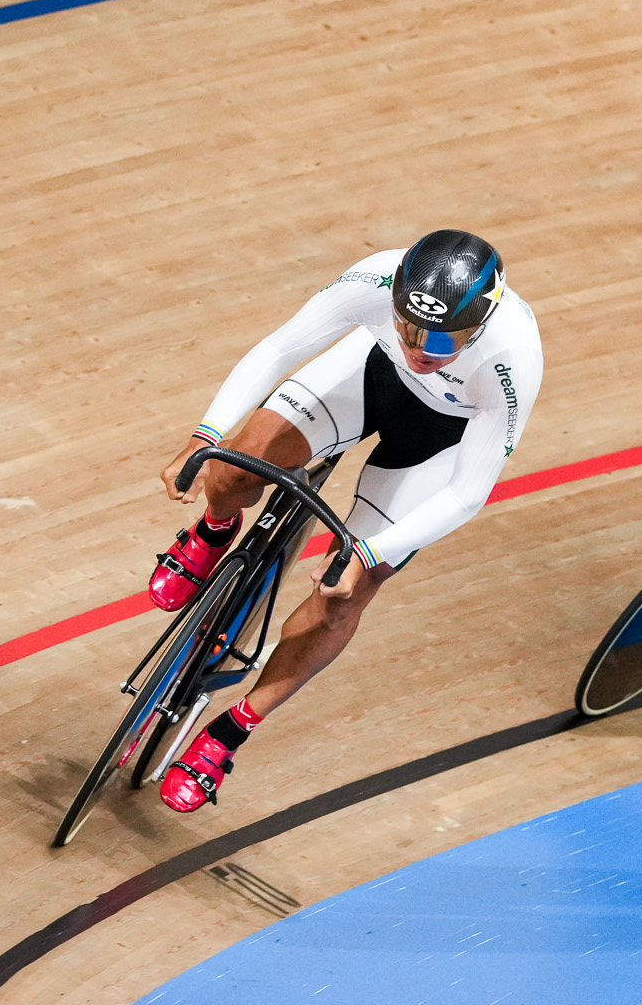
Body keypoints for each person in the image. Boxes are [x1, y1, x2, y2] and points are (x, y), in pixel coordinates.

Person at [147, 230, 541, 812]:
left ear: (480, 324)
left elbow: (464, 494)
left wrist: (367, 555)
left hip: (440, 445)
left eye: (443, 338)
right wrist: (204, 436)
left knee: (342, 597)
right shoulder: (378, 278)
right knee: (229, 469)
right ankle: (212, 531)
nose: (422, 348)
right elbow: (280, 350)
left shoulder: (513, 356)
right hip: (365, 377)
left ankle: (232, 729)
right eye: (409, 328)